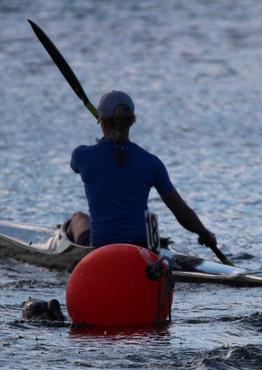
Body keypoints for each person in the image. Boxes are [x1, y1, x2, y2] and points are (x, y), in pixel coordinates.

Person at [66, 90, 217, 250]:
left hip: (100, 249)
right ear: (132, 121)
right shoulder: (151, 163)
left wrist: (103, 144)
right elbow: (180, 211)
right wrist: (204, 233)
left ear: (102, 122)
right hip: (140, 248)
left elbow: (76, 166)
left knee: (78, 218)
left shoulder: (82, 156)